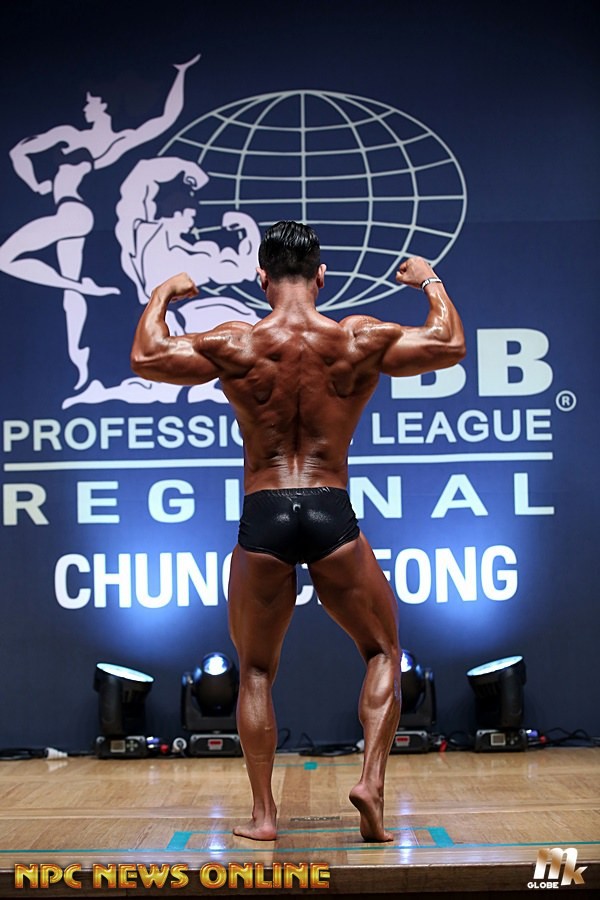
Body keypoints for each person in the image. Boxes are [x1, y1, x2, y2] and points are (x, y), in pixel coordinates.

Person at [130, 221, 466, 842]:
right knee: (383, 653)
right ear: (322, 276)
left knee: (256, 671)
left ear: (261, 278)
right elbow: (448, 345)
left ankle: (264, 817)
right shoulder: (356, 337)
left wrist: (164, 294)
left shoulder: (237, 341)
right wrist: (430, 282)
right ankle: (370, 783)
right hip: (329, 506)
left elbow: (147, 356)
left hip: (264, 513)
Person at [0, 55, 200, 389]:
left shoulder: (109, 142)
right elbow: (18, 153)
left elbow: (164, 120)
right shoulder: (70, 134)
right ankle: (79, 366)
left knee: (5, 256)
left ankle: (81, 287)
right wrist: (36, 183)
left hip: (72, 213)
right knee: (70, 296)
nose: (86, 107)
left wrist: (180, 75)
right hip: (71, 214)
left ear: (105, 106)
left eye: (91, 102)